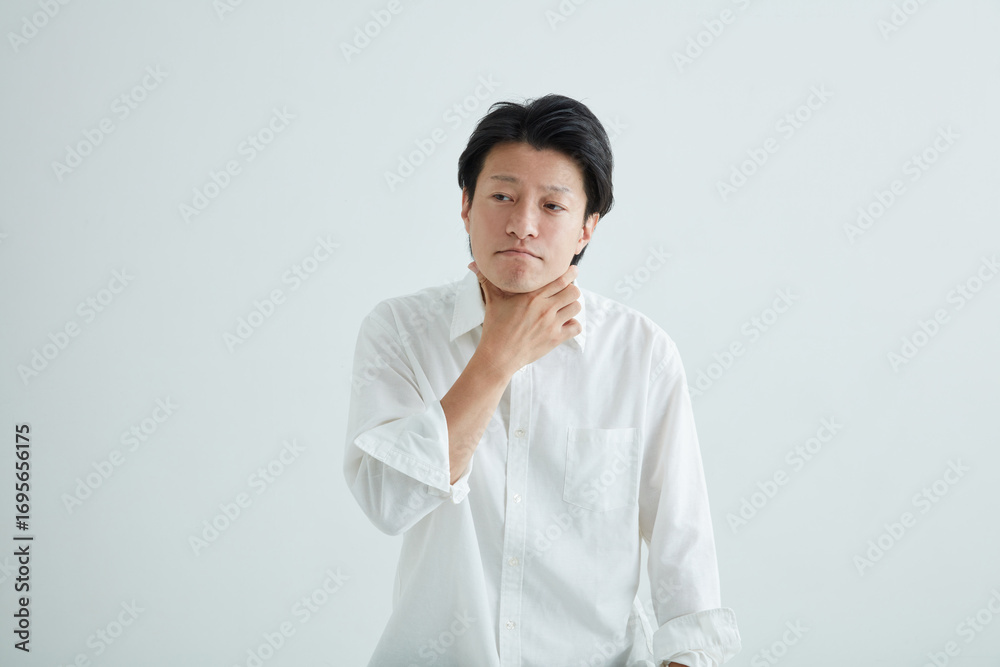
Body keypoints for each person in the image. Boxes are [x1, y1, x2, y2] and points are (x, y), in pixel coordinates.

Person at [344, 93, 741, 666]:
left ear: (587, 228)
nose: (522, 225)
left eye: (552, 206)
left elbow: (683, 551)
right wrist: (497, 357)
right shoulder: (400, 331)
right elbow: (388, 501)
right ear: (465, 205)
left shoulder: (641, 353)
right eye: (502, 196)